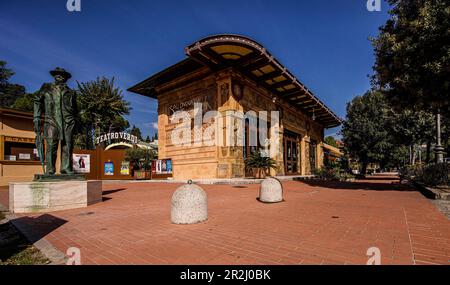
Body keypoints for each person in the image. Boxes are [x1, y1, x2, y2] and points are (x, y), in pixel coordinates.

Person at [34, 68, 77, 175]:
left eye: (63, 75)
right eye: (57, 75)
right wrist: (37, 117)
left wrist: (75, 121)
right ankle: (50, 169)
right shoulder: (46, 87)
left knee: (67, 146)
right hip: (51, 120)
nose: (60, 77)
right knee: (51, 145)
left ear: (66, 78)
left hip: (68, 121)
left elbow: (75, 109)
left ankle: (66, 168)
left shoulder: (71, 92)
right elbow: (37, 100)